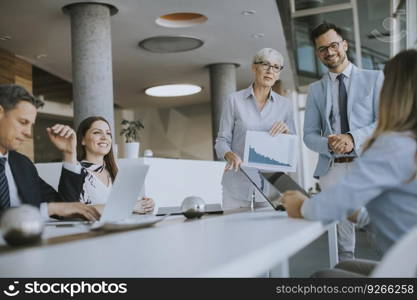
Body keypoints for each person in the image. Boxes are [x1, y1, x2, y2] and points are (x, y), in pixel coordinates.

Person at [282, 49, 417, 277]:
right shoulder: (409, 142)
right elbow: (404, 211)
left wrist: (301, 206)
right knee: (343, 267)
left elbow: (333, 204)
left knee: (322, 277)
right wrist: (360, 214)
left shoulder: (394, 145)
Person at [303, 23, 384, 261]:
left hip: (366, 164)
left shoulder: (374, 78)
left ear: (344, 45)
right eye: (322, 49)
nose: (329, 52)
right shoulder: (315, 90)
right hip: (333, 168)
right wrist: (330, 144)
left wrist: (352, 138)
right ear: (317, 54)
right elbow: (309, 135)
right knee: (341, 238)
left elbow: (384, 122)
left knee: (377, 225)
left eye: (333, 45)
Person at [0, 84, 100, 221]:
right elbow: (54, 208)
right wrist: (48, 209)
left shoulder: (23, 165)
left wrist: (69, 154)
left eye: (31, 125)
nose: (28, 133)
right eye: (23, 122)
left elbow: (65, 209)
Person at [215, 48, 296, 209]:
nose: (270, 71)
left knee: (268, 234)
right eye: (265, 64)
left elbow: (291, 149)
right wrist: (229, 154)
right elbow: (221, 141)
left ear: (279, 73)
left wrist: (287, 134)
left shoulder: (285, 106)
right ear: (254, 67)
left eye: (276, 67)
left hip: (270, 188)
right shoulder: (233, 100)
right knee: (233, 234)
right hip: (236, 185)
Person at [51, 116, 154, 214]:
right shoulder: (75, 172)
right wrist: (130, 207)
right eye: (97, 132)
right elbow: (75, 210)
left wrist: (146, 204)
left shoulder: (115, 170)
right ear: (82, 140)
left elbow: (128, 202)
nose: (105, 137)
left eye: (108, 133)